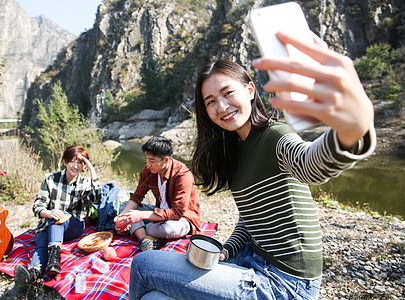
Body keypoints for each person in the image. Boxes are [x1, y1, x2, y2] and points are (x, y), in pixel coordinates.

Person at [128, 31, 376, 299]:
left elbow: (310, 166)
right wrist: (227, 250)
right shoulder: (237, 148)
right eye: (211, 102)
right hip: (249, 260)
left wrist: (351, 131)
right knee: (155, 296)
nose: (221, 107)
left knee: (144, 265)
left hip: (285, 282)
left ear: (249, 90)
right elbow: (250, 219)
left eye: (227, 93)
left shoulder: (274, 135)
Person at [14, 145, 101, 291]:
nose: (76, 166)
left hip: (73, 226)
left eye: (80, 162)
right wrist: (48, 213)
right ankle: (33, 275)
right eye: (72, 161)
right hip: (49, 226)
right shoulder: (50, 179)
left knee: (58, 214)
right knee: (41, 244)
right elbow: (37, 206)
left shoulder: (85, 183)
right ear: (65, 161)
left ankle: (55, 257)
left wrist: (92, 170)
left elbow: (97, 199)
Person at [114, 136, 201, 252]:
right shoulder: (149, 170)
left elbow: (177, 213)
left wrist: (140, 217)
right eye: (146, 159)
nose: (148, 164)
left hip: (182, 219)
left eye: (152, 161)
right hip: (159, 213)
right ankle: (145, 239)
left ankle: (142, 230)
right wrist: (123, 217)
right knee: (125, 205)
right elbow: (137, 197)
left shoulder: (182, 174)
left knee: (169, 229)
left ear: (166, 160)